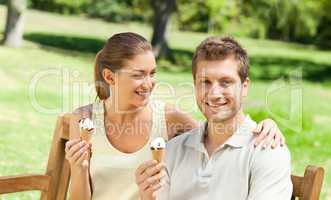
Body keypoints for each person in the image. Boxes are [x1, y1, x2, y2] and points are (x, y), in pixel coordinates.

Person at [64, 32, 286, 200]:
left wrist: (264, 125)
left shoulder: (172, 126)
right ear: (110, 77)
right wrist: (79, 167)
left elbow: (219, 129)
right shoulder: (176, 148)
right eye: (205, 83)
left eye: (152, 74)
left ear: (244, 86)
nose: (148, 83)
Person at [142, 36, 293, 200]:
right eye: (205, 82)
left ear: (244, 87)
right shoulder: (173, 151)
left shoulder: (267, 153)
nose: (214, 94)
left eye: (225, 82)